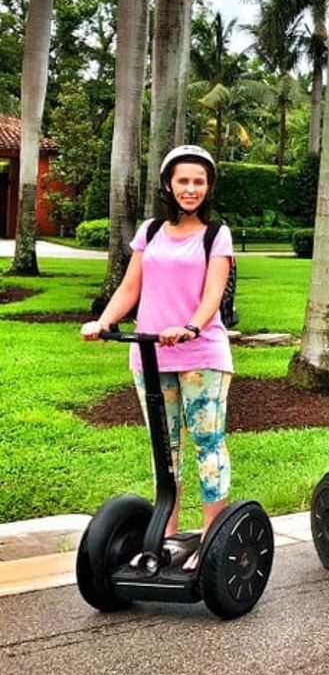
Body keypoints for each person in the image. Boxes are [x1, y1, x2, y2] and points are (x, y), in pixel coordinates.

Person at [81, 145, 235, 569]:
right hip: (150, 354)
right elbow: (131, 287)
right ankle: (165, 538)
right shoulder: (150, 232)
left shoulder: (215, 234)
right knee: (164, 450)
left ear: (208, 187)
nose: (191, 189)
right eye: (183, 181)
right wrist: (104, 322)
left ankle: (211, 539)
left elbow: (213, 294)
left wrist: (190, 327)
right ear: (168, 184)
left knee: (206, 442)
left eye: (199, 182)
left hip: (201, 354)